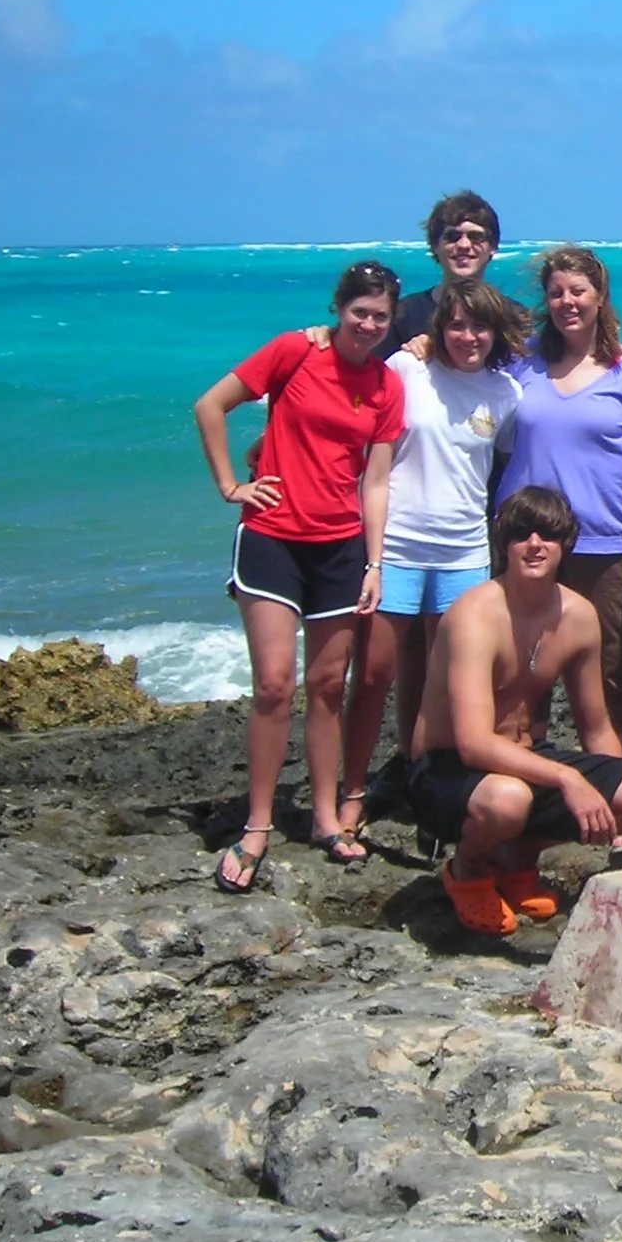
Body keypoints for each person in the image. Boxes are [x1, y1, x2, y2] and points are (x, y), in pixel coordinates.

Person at [192, 260, 406, 892]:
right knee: (276, 686)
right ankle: (257, 825)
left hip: (341, 550)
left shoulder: (385, 387)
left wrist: (374, 563)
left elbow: (376, 480)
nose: (367, 325)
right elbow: (211, 405)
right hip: (271, 542)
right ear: (339, 309)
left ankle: (323, 818)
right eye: (359, 312)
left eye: (380, 317)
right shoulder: (294, 352)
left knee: (327, 685)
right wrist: (232, 485)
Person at [407, 485, 622, 936]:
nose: (535, 544)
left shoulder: (578, 616)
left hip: (525, 760)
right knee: (508, 800)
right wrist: (567, 778)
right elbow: (474, 742)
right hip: (446, 772)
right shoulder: (474, 615)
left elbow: (595, 726)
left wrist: (621, 808)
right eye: (522, 534)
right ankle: (468, 869)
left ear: (566, 546)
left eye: (549, 535)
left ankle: (517, 859)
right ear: (504, 543)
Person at [344, 280, 527, 852]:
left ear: (494, 332)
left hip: (464, 552)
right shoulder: (405, 369)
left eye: (479, 327)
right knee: (374, 675)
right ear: (436, 330)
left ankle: (430, 796)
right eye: (456, 326)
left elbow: (499, 470)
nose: (468, 337)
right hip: (396, 545)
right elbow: (356, 424)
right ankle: (353, 793)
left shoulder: (505, 393)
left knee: (450, 689)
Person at [499, 246, 622, 747]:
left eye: (578, 291)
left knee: (619, 672)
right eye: (556, 293)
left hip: (610, 546)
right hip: (525, 541)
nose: (566, 302)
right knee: (522, 669)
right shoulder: (518, 362)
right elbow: (454, 354)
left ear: (600, 296)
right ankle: (529, 788)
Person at [385, 190, 530, 358]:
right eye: (452, 236)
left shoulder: (515, 316)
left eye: (476, 237)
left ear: (493, 248)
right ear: (434, 246)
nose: (464, 245)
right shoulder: (403, 315)